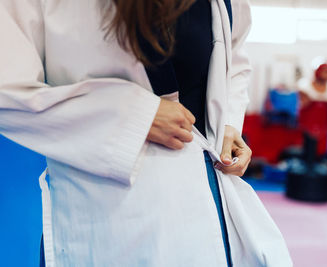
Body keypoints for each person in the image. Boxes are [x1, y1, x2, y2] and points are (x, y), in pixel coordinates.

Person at [0, 0, 292, 266]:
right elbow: (7, 91)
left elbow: (234, 51)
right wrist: (132, 115)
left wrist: (228, 122)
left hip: (207, 210)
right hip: (109, 215)